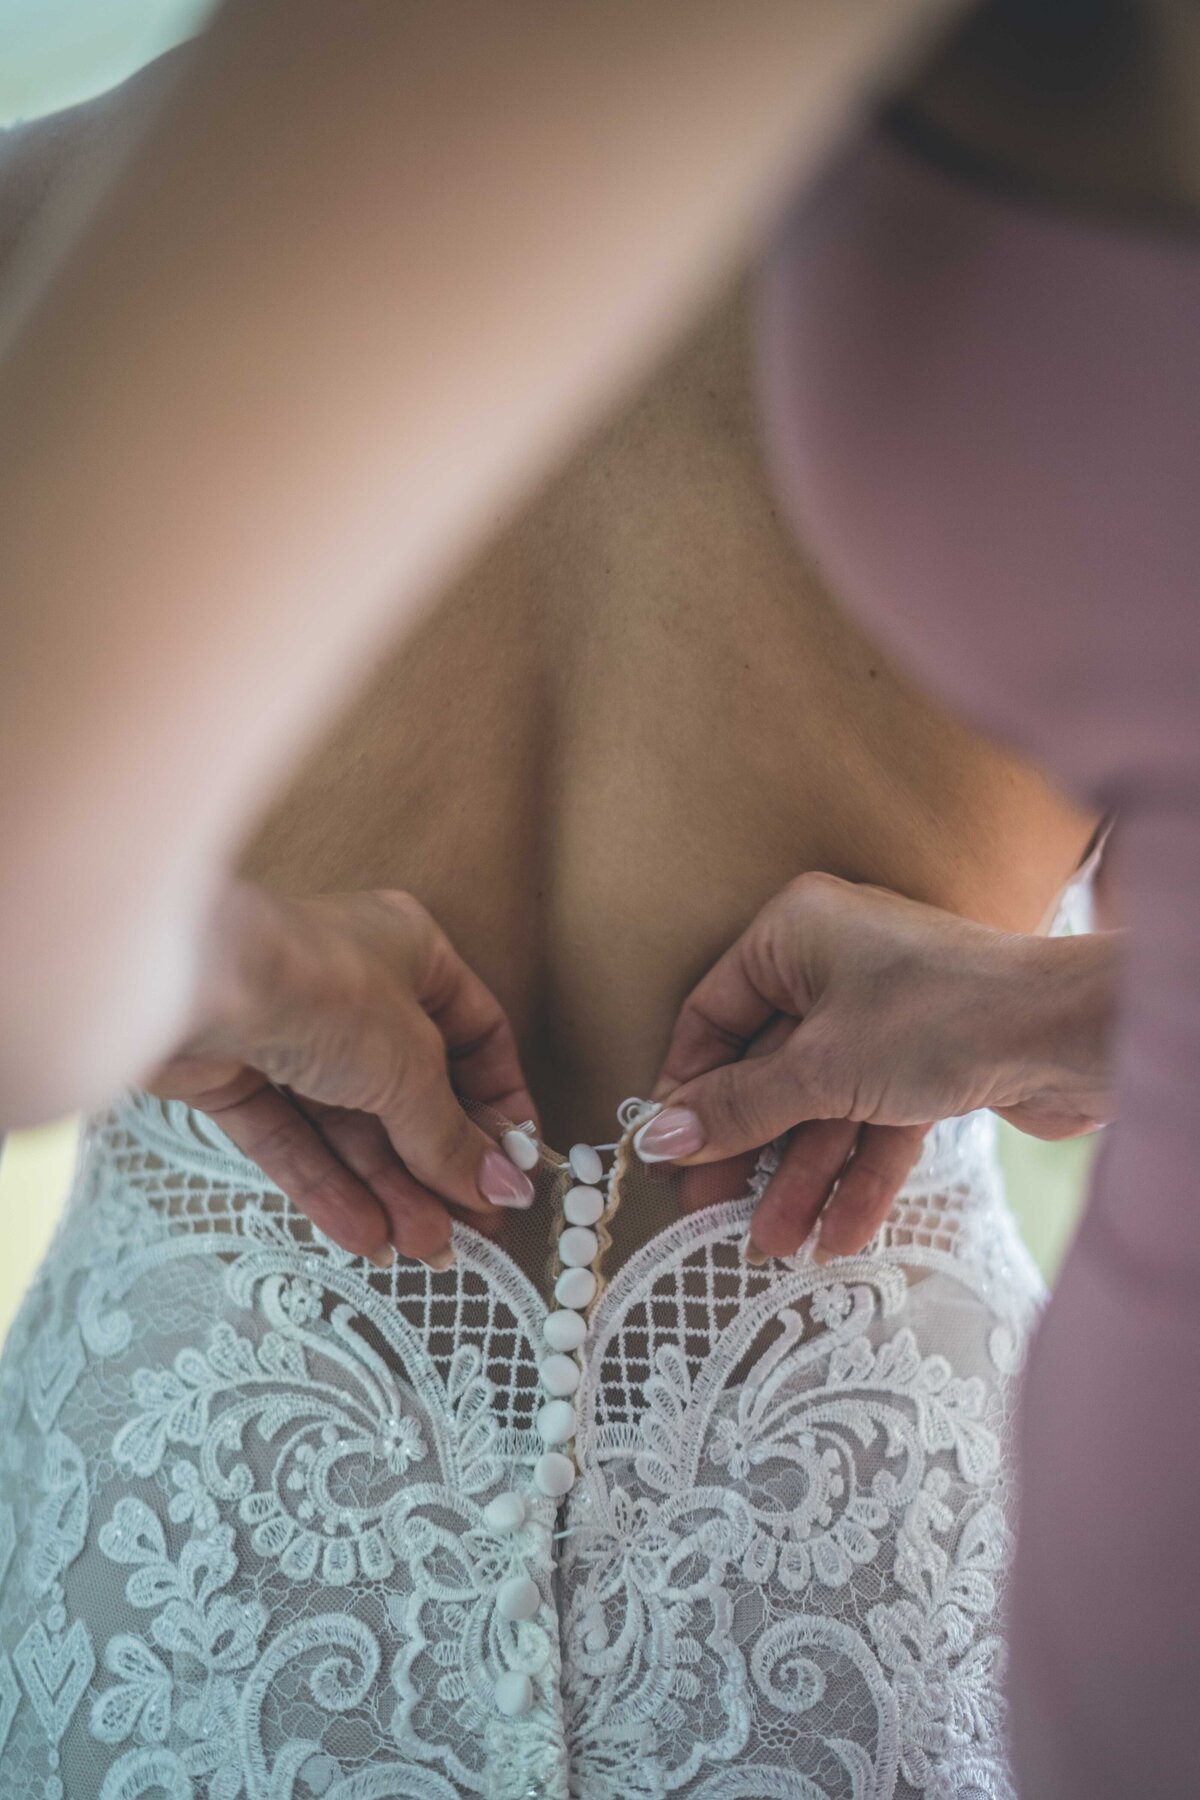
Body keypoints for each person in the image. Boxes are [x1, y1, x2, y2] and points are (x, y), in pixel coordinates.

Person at [0, 2, 1193, 1795]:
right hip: (880, 1546)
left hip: (190, 1553)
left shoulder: (60, 247)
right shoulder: (1032, 274)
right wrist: (1038, 1015)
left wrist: (213, 973)